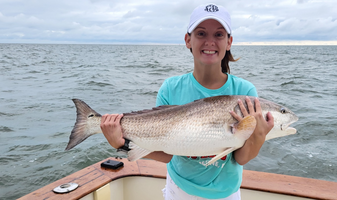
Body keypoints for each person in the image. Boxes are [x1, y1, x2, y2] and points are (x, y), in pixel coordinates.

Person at [100, 3, 274, 200]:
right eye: (201, 33)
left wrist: (258, 137)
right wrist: (122, 144)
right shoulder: (170, 88)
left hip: (227, 194)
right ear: (187, 40)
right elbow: (166, 154)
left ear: (229, 42)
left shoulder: (245, 92)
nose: (210, 41)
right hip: (178, 190)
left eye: (218, 34)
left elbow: (241, 158)